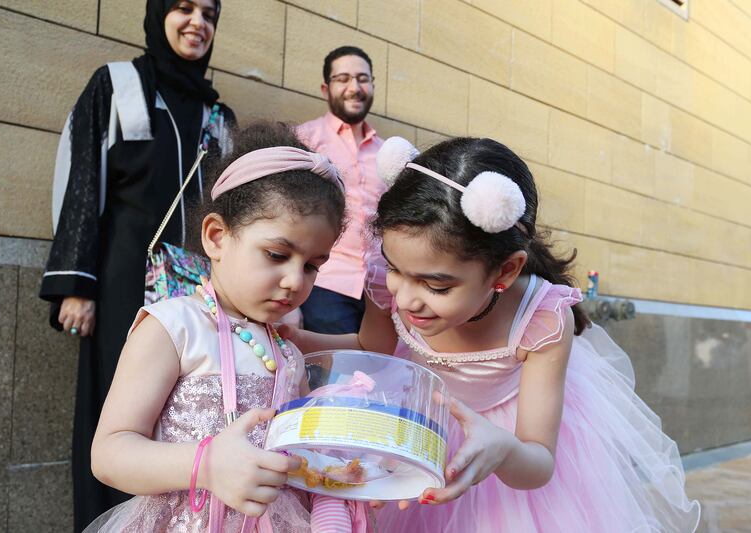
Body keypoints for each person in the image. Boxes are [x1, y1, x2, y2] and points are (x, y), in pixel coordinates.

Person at [288, 136, 701, 532]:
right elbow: (369, 347)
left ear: (504, 271)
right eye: (397, 270)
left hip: (504, 454)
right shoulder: (386, 277)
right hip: (417, 434)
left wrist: (501, 447)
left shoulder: (539, 322)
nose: (408, 299)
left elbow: (538, 462)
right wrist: (294, 339)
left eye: (437, 286)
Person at [87, 123, 366, 532]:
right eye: (276, 254)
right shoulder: (174, 326)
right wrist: (208, 463)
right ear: (217, 237)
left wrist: (328, 474)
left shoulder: (287, 349)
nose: (295, 280)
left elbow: (297, 452)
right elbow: (110, 453)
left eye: (311, 266)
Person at [39, 1, 235, 529]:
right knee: (116, 414)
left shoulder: (220, 117)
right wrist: (76, 284)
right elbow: (83, 181)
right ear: (159, 14)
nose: (198, 22)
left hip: (198, 291)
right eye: (184, 8)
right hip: (123, 278)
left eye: (210, 13)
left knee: (189, 413)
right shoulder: (117, 85)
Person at [296, 46, 384, 334]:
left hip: (380, 293)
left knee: (380, 375)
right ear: (326, 88)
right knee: (334, 377)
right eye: (343, 78)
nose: (354, 88)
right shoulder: (305, 139)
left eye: (362, 78)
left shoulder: (387, 153)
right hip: (326, 282)